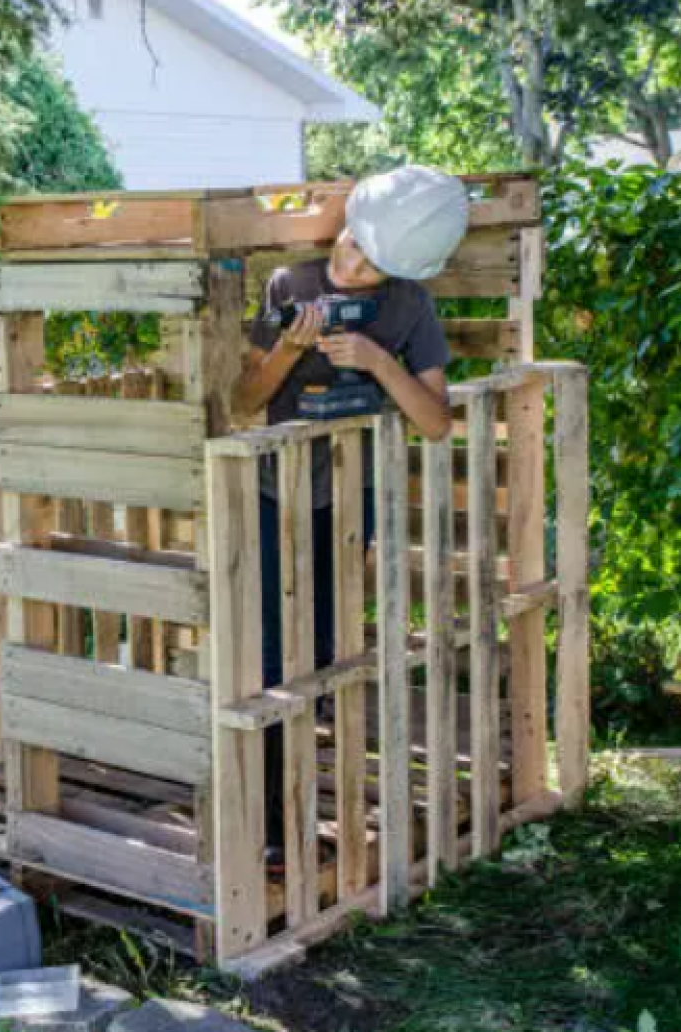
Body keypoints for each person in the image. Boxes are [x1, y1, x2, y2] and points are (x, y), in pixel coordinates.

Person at [232, 165, 467, 865]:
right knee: (273, 657)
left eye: (367, 261)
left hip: (349, 495)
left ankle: (330, 796)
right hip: (276, 492)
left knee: (331, 650)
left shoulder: (409, 308)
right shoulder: (290, 285)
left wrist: (375, 362)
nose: (349, 260)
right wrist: (290, 349)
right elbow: (247, 399)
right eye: (349, 241)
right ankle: (275, 831)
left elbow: (434, 422)